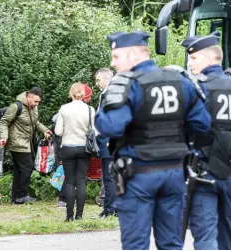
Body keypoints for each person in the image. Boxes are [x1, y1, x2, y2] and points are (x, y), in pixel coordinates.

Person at [95, 31, 211, 249]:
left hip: (138, 174)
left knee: (136, 244)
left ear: (133, 55)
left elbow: (110, 126)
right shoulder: (180, 81)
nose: (113, 64)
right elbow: (203, 126)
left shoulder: (128, 84)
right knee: (171, 244)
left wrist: (104, 109)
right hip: (175, 174)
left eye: (116, 57)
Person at [181, 31, 231, 250]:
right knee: (227, 237)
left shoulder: (196, 87)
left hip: (203, 173)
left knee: (205, 238)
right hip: (229, 172)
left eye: (194, 58)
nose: (190, 63)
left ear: (210, 58)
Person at [0, 87, 52, 204]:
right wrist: (3, 137)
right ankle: (22, 195)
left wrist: (44, 130)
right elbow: (4, 122)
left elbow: (35, 122)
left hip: (27, 143)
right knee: (27, 167)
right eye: (35, 101)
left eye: (39, 102)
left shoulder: (33, 108)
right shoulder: (16, 106)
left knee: (19, 170)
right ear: (28, 97)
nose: (37, 104)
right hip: (16, 142)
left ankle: (15, 198)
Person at [54, 82, 95, 221]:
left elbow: (58, 131)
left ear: (71, 93)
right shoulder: (90, 109)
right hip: (84, 148)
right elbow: (95, 130)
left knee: (70, 181)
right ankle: (80, 215)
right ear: (83, 94)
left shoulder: (64, 109)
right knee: (81, 181)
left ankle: (69, 215)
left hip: (68, 147)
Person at [94, 68, 117, 218]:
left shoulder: (110, 95)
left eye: (98, 80)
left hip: (109, 140)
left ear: (107, 79)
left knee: (109, 177)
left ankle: (109, 209)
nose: (97, 83)